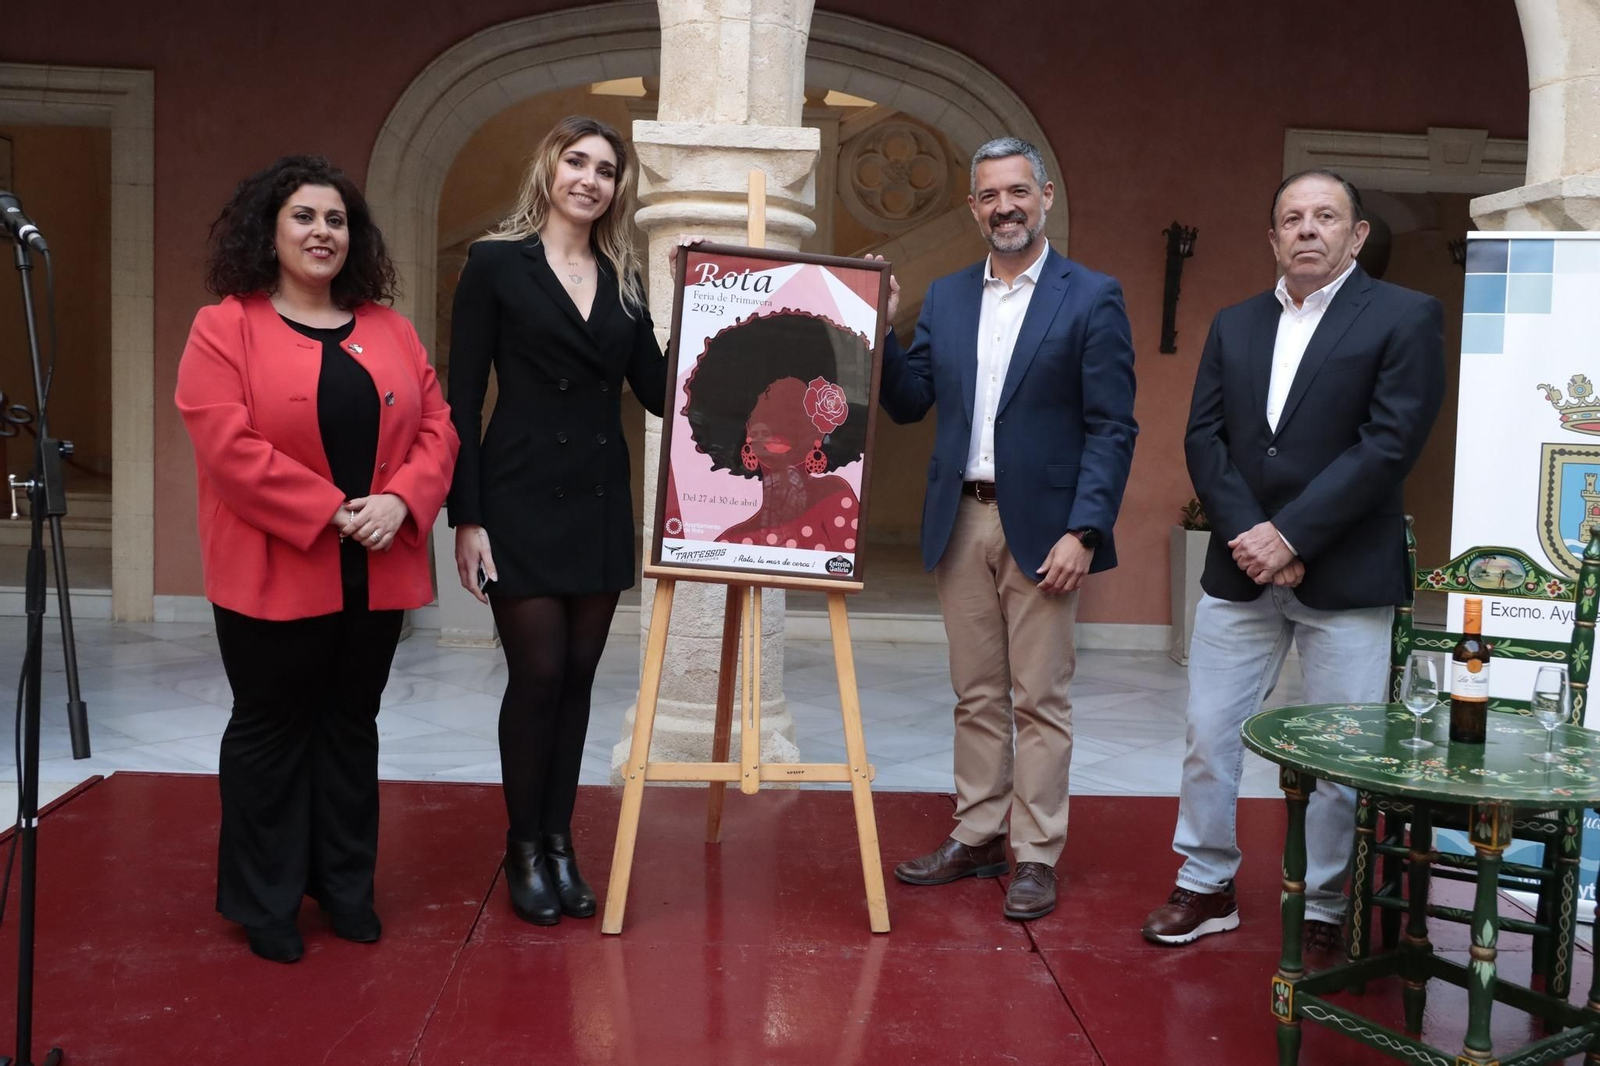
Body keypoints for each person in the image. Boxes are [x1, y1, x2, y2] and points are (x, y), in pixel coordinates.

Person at [1141, 170, 1444, 954]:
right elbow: (1204, 439)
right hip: (1242, 569)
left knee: (1340, 750)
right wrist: (1255, 536)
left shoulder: (1405, 316)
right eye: (1292, 218)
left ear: (1357, 234)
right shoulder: (1235, 323)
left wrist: (1295, 536)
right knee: (1209, 732)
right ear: (1273, 237)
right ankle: (1206, 883)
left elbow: (1389, 444)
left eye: (1326, 216)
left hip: (1347, 574)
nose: (1308, 229)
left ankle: (1325, 904)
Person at [175, 155, 459, 963]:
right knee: (270, 730)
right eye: (303, 216)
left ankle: (344, 887)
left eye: (336, 219)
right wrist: (331, 510)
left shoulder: (391, 329)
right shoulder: (223, 327)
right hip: (273, 569)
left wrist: (402, 500)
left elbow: (437, 427)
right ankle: (264, 900)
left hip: (377, 565)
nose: (321, 232)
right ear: (268, 230)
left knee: (350, 726)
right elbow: (228, 447)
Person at [876, 136, 1138, 921]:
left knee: (1040, 699)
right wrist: (882, 330)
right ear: (972, 207)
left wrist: (1085, 531)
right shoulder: (949, 297)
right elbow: (909, 401)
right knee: (976, 695)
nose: (1005, 207)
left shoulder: (1091, 296)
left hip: (1047, 530)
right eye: (989, 195)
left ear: (1045, 196)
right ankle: (979, 833)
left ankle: (1037, 852)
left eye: (1017, 191)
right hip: (959, 520)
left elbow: (1112, 427)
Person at [447, 116, 668, 926]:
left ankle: (560, 841)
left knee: (577, 680)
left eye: (606, 170)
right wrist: (467, 516)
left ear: (617, 189)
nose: (590, 180)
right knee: (536, 676)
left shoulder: (625, 278)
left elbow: (659, 390)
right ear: (549, 168)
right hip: (518, 497)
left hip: (599, 500)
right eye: (577, 162)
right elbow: (461, 396)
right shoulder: (495, 263)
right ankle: (523, 847)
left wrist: (712, 307)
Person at [679, 311, 869, 549]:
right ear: (747, 429)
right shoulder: (729, 542)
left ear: (819, 433)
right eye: (766, 404)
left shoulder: (835, 500)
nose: (777, 425)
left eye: (792, 408)